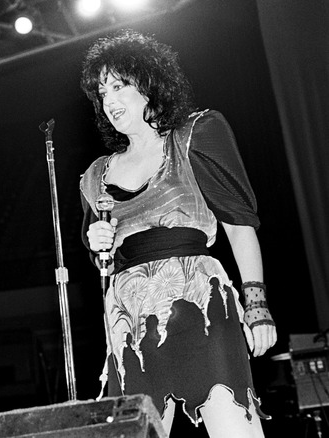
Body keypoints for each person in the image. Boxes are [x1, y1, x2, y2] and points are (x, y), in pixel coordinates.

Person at [78, 30, 277, 437]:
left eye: (119, 86)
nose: (108, 100)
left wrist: (257, 306)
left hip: (198, 303)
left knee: (232, 425)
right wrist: (99, 243)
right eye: (101, 92)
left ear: (149, 85)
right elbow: (104, 261)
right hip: (129, 316)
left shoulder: (195, 136)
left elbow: (239, 227)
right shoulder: (95, 175)